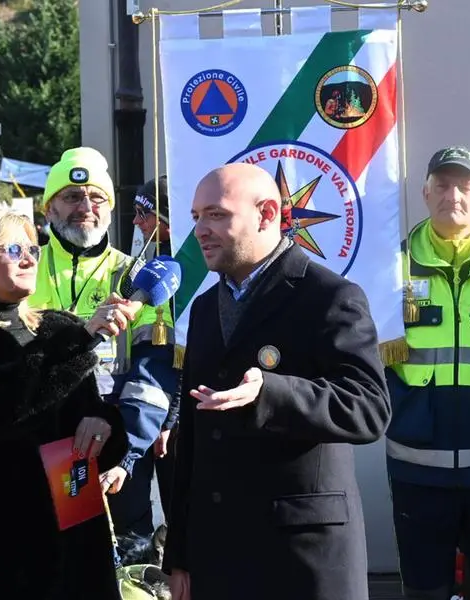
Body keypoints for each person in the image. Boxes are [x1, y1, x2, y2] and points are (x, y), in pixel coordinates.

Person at [163, 163, 390, 600]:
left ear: (267, 214)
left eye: (216, 214)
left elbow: (369, 408)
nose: (200, 232)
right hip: (219, 559)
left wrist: (271, 392)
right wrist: (180, 556)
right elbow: (191, 440)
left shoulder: (329, 296)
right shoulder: (205, 309)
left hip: (302, 559)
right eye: (195, 218)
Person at [0, 207, 129, 600]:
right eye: (14, 248)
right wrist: (78, 344)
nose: (31, 257)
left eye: (34, 246)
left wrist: (104, 427)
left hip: (75, 540)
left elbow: (93, 420)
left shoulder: (58, 327)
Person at [29, 147, 177, 541]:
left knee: (127, 558)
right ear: (49, 208)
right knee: (55, 559)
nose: (86, 207)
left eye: (97, 198)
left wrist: (127, 452)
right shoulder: (22, 271)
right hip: (45, 443)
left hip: (117, 446)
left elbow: (153, 372)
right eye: (72, 197)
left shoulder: (137, 277)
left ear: (110, 209)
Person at [385, 146, 470, 600]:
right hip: (417, 467)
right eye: (443, 184)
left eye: (466, 186)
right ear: (425, 192)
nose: (453, 195)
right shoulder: (389, 269)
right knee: (425, 590)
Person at [132, 175, 180, 522]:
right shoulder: (151, 270)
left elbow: (183, 354)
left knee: (185, 515)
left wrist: (170, 420)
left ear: (164, 222)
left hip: (179, 418)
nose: (136, 222)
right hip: (157, 411)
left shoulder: (186, 271)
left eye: (142, 213)